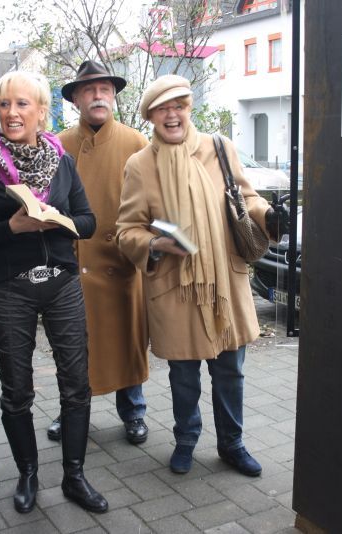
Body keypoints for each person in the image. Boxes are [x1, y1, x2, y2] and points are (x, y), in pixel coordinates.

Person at [116, 75, 288, 477]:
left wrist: (268, 216)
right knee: (184, 376)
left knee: (231, 371)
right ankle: (186, 441)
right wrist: (156, 245)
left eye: (179, 105)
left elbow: (246, 197)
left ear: (189, 108)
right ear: (151, 117)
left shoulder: (219, 149)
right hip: (175, 287)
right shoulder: (140, 166)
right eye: (163, 108)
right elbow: (127, 230)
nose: (172, 114)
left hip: (225, 282)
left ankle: (232, 444)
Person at [0, 71, 107, 515]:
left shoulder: (63, 161)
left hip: (62, 283)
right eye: (5, 104)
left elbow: (88, 221)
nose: (12, 112)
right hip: (10, 288)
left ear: (42, 111)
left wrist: (59, 220)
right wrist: (12, 226)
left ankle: (75, 477)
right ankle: (28, 474)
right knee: (16, 388)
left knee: (76, 384)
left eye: (22, 104)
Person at [46, 60, 150, 445]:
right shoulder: (58, 145)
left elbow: (153, 205)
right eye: (89, 90)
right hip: (72, 268)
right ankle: (71, 412)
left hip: (120, 265)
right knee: (72, 346)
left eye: (105, 89)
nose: (98, 96)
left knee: (127, 341)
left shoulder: (136, 143)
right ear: (75, 99)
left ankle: (134, 412)